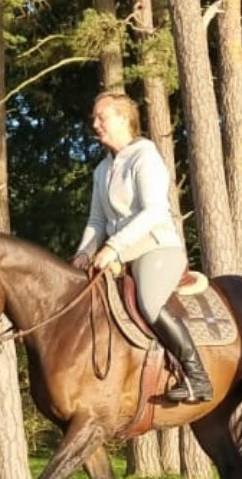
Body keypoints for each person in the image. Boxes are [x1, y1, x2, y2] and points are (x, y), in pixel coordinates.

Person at [73, 92, 213, 404]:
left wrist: (114, 248)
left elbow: (153, 213)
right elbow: (96, 220)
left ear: (123, 119)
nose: (94, 124)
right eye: (94, 118)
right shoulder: (101, 170)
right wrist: (83, 253)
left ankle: (197, 378)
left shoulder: (145, 157)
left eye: (101, 117)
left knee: (149, 303)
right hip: (118, 254)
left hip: (157, 248)